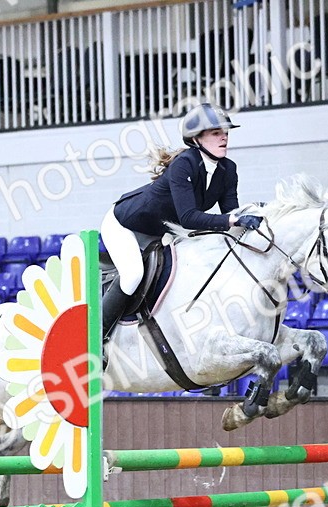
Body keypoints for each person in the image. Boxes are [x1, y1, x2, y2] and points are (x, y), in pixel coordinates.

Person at [98, 103, 263, 348]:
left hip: (162, 230)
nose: (224, 137)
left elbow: (231, 213)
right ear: (196, 138)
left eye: (226, 132)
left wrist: (255, 214)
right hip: (125, 225)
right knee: (133, 275)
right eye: (216, 133)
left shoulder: (228, 170)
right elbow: (189, 217)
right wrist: (232, 220)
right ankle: (95, 338)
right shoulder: (184, 164)